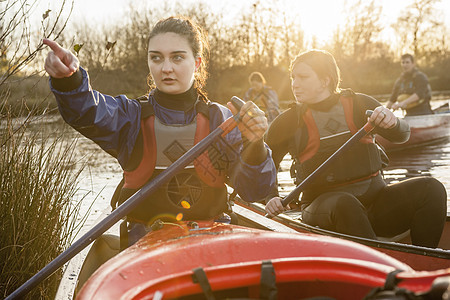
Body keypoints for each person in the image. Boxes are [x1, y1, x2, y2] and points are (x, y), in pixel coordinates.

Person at [43, 16, 277, 248]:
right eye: (156, 58)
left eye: (177, 57)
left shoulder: (221, 119)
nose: (166, 68)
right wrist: (70, 81)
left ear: (197, 63)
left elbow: (254, 191)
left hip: (212, 242)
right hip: (145, 245)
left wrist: (255, 143)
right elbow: (88, 111)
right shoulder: (130, 116)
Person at [264, 49, 447, 248]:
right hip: (325, 212)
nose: (294, 84)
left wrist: (393, 122)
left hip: (376, 207)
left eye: (303, 77)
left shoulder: (360, 103)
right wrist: (271, 196)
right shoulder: (288, 121)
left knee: (432, 188)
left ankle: (425, 261)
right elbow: (265, 163)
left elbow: (403, 135)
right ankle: (379, 266)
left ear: (325, 80)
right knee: (345, 203)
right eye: (293, 77)